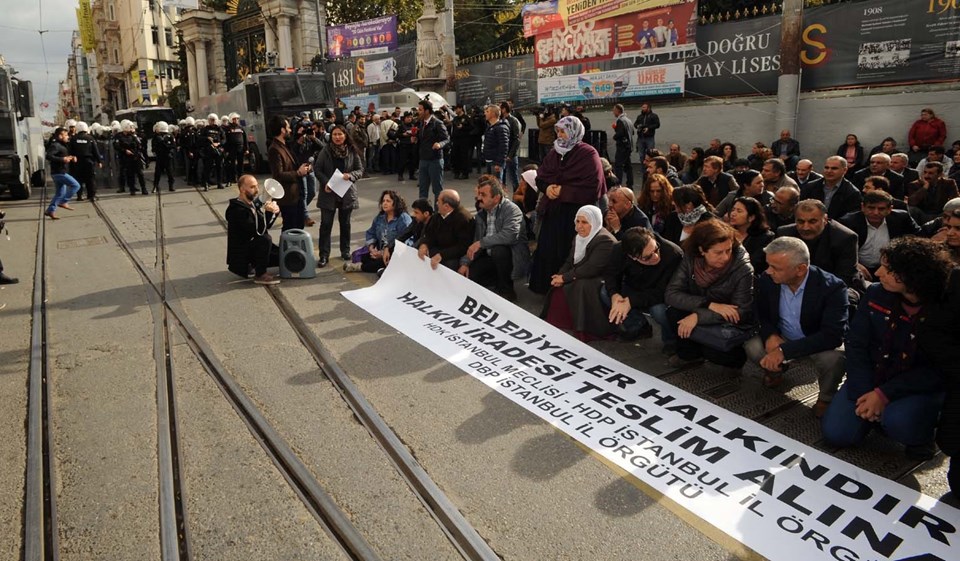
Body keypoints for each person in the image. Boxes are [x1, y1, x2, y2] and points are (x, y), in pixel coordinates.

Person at [822, 237, 953, 459]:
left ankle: (921, 435)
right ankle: (872, 415)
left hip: (915, 386)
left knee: (900, 422)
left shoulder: (946, 309)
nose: (879, 273)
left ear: (913, 276)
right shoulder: (875, 293)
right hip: (873, 376)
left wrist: (884, 394)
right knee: (837, 433)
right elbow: (857, 344)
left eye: (889, 269)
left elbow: (939, 369)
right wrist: (865, 392)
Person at [745, 237, 848, 418]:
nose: (768, 272)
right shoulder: (768, 280)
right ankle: (775, 371)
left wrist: (784, 350)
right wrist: (770, 335)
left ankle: (825, 398)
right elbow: (760, 314)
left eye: (775, 268)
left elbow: (833, 335)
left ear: (800, 269)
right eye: (768, 265)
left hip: (815, 342)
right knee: (752, 344)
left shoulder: (832, 288)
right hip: (782, 337)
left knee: (834, 359)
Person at [664, 219, 756, 371]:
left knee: (723, 358)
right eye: (718, 252)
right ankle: (690, 356)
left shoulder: (742, 269)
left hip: (725, 322)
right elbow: (672, 294)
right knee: (673, 312)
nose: (725, 257)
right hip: (706, 307)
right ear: (702, 250)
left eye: (728, 250)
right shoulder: (691, 258)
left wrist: (698, 316)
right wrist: (708, 304)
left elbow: (741, 310)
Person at [529, 116, 606, 294]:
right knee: (548, 251)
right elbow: (541, 176)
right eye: (558, 131)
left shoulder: (588, 153)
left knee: (569, 253)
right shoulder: (555, 152)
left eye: (563, 131)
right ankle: (547, 290)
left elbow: (593, 186)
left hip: (575, 214)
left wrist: (563, 191)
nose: (560, 135)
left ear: (574, 132)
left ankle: (567, 292)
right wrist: (547, 188)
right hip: (554, 212)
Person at [543, 205, 616, 341]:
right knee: (560, 287)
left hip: (604, 278)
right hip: (583, 272)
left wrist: (565, 277)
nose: (579, 226)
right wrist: (559, 275)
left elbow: (592, 268)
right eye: (577, 221)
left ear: (594, 223)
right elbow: (570, 261)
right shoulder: (580, 237)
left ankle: (588, 329)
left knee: (581, 286)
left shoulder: (605, 240)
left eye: (584, 222)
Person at [605, 227, 683, 352]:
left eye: (656, 249)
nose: (656, 257)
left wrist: (631, 301)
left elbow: (667, 291)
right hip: (633, 287)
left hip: (660, 295)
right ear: (632, 257)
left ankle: (672, 341)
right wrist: (615, 295)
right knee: (605, 292)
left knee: (660, 311)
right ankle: (638, 327)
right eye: (647, 257)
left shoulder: (673, 254)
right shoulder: (618, 249)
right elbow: (611, 274)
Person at [459, 177, 526, 301]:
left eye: (483, 195)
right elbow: (476, 242)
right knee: (470, 275)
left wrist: (481, 243)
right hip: (489, 256)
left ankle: (507, 290)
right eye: (479, 194)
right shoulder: (481, 214)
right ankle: (496, 280)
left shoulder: (511, 209)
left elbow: (510, 235)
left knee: (498, 250)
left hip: (510, 256)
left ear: (496, 198)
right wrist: (465, 263)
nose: (479, 198)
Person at [776, 199, 860, 290]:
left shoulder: (845, 238)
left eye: (812, 222)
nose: (806, 227)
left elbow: (844, 278)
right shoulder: (784, 234)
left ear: (825, 219)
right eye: (800, 222)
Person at [838, 190, 921, 278]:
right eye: (871, 208)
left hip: (891, 268)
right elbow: (838, 250)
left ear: (890, 209)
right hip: (857, 269)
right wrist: (855, 264)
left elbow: (918, 237)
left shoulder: (902, 218)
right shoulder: (848, 222)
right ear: (863, 207)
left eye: (881, 209)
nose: (875, 213)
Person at [315, 124, 364, 267]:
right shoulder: (325, 150)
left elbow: (360, 170)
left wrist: (351, 175)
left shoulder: (352, 151)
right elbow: (317, 169)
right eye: (335, 134)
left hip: (346, 192)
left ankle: (345, 251)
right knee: (326, 225)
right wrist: (326, 182)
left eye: (340, 134)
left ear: (345, 136)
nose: (337, 137)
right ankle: (324, 255)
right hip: (329, 193)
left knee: (345, 224)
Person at [225, 175, 281, 285]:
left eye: (257, 186)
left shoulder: (250, 205)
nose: (256, 190)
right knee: (266, 239)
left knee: (282, 257)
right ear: (242, 189)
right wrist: (268, 212)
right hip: (242, 255)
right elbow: (258, 231)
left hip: (251, 248)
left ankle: (257, 265)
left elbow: (266, 226)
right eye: (252, 187)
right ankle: (260, 274)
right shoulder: (236, 210)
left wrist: (274, 212)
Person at [346, 190, 412, 274]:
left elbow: (406, 242)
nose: (384, 203)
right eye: (383, 201)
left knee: (383, 261)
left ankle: (361, 267)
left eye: (388, 201)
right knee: (363, 256)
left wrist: (384, 253)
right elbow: (371, 232)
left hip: (394, 253)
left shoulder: (403, 219)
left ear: (395, 203)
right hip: (380, 249)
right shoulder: (380, 217)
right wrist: (371, 248)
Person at [266, 115, 312, 234]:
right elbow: (278, 175)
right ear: (282, 130)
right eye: (288, 127)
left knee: (298, 227)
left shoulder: (285, 145)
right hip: (288, 198)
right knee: (290, 229)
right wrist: (298, 173)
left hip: (297, 195)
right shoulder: (274, 149)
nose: (290, 130)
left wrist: (305, 167)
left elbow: (294, 163)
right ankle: (287, 252)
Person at [418, 189, 475, 270]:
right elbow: (429, 234)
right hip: (438, 249)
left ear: (446, 206)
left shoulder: (463, 219)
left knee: (448, 264)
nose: (436, 204)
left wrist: (442, 255)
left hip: (453, 255)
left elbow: (463, 246)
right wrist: (424, 244)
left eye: (439, 202)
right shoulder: (437, 216)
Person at [729, 197, 774, 275]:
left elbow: (755, 263)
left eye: (739, 211)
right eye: (733, 210)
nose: (733, 214)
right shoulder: (725, 232)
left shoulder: (765, 237)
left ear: (751, 217)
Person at [415, 100, 449, 203]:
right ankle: (423, 212)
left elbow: (447, 139)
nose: (418, 112)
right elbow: (423, 139)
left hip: (435, 160)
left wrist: (440, 144)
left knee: (437, 190)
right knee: (422, 189)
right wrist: (415, 139)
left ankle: (438, 213)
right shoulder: (421, 123)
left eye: (420, 110)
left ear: (427, 111)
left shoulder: (437, 123)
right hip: (423, 160)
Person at [44, 127, 80, 220]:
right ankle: (64, 202)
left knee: (60, 193)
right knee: (76, 185)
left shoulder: (62, 145)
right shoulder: (56, 145)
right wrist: (62, 159)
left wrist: (71, 157)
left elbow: (62, 156)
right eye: (66, 135)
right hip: (59, 172)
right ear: (60, 136)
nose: (67, 137)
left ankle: (50, 210)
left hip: (59, 171)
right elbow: (48, 156)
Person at [69, 121, 101, 201]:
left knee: (78, 179)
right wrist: (99, 161)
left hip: (77, 162)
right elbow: (95, 150)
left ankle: (79, 196)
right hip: (89, 161)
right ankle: (91, 196)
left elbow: (70, 150)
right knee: (90, 179)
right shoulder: (90, 138)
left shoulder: (73, 139)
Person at [480, 104, 509, 183]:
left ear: (493, 114)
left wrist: (499, 163)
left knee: (496, 186)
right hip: (489, 160)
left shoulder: (501, 128)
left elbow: (504, 147)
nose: (485, 113)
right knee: (491, 185)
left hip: (495, 162)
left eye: (487, 111)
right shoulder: (490, 127)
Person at [500, 101, 522, 190]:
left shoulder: (513, 120)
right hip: (502, 154)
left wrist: (510, 155)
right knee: (501, 179)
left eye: (500, 108)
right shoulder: (500, 120)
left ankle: (517, 198)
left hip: (511, 155)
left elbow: (516, 139)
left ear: (504, 109)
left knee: (513, 178)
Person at [200, 113, 225, 190]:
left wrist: (219, 143)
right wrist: (207, 138)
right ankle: (206, 184)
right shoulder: (205, 129)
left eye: (214, 120)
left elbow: (224, 138)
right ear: (209, 121)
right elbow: (200, 138)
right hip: (209, 151)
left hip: (218, 151)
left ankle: (219, 183)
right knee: (208, 168)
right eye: (211, 120)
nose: (213, 121)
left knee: (219, 167)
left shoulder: (219, 129)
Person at [611, 104, 634, 189]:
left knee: (618, 165)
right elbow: (632, 132)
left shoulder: (620, 120)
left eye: (614, 110)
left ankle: (618, 183)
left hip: (622, 147)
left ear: (618, 110)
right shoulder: (628, 120)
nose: (613, 112)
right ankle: (630, 183)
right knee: (628, 165)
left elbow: (620, 133)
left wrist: (615, 136)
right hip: (629, 146)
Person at [223, 113, 248, 186]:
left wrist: (246, 149)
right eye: (234, 119)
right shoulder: (227, 128)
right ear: (231, 120)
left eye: (237, 119)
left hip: (240, 148)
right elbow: (225, 140)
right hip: (231, 149)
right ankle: (232, 178)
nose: (236, 120)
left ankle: (241, 178)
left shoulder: (241, 127)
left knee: (240, 164)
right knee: (232, 164)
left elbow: (245, 139)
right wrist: (226, 150)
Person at [151, 121, 176, 193]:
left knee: (170, 172)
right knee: (157, 173)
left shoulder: (170, 136)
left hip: (167, 156)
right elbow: (153, 147)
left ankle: (171, 186)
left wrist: (165, 145)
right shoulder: (156, 137)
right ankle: (155, 186)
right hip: (159, 157)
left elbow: (173, 146)